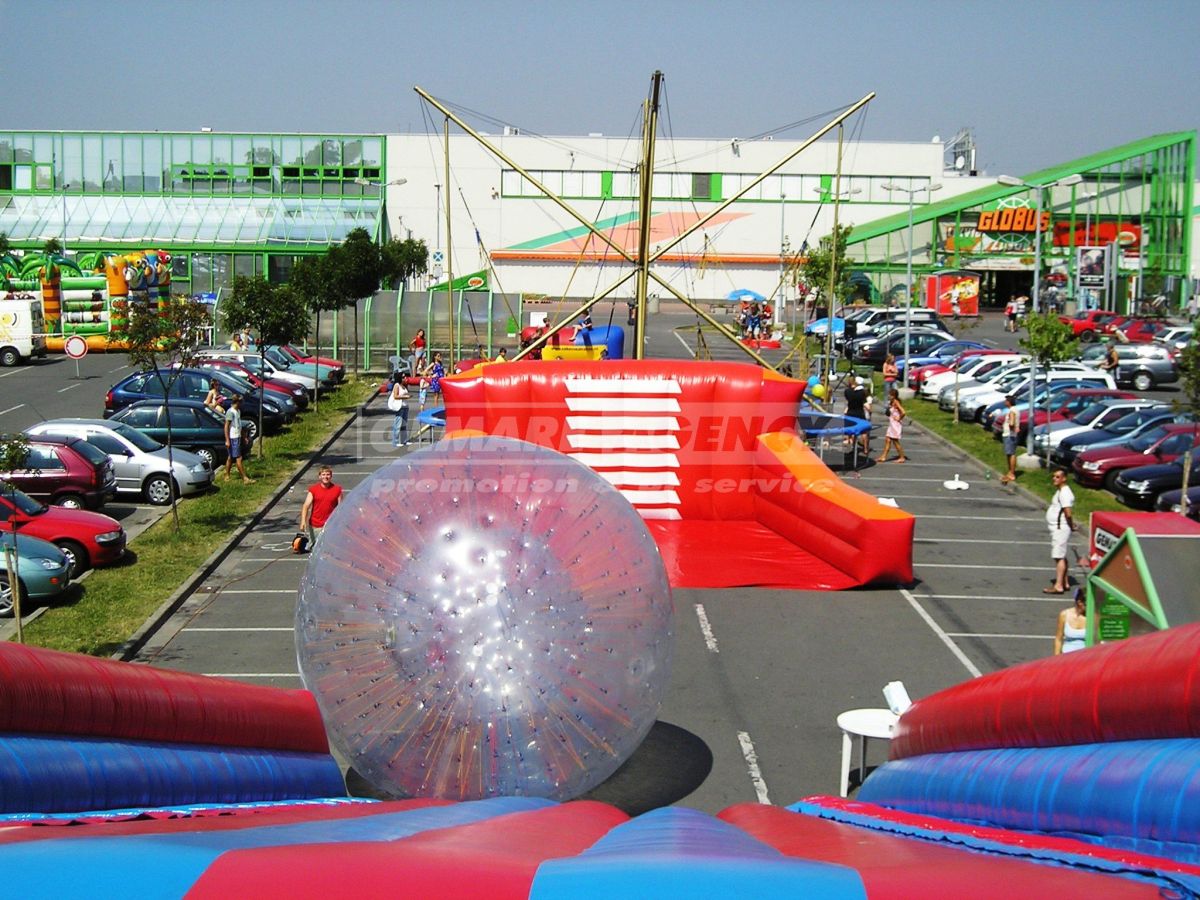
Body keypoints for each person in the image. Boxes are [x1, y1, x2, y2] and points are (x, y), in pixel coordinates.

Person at [1044, 468, 1076, 594]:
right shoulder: (1061, 491)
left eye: (1057, 477)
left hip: (1060, 528)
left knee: (1058, 556)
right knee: (1061, 555)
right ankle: (1065, 582)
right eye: (1054, 476)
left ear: (1064, 478)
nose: (1054, 479)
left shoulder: (1065, 493)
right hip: (1057, 527)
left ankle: (1058, 586)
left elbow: (1068, 513)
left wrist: (1071, 525)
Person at [299, 465, 343, 549]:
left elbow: (341, 508)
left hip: (330, 525)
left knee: (327, 548)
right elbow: (306, 506)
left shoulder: (337, 490)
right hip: (316, 525)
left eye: (328, 474)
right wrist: (303, 521)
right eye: (323, 474)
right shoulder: (313, 490)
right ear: (319, 476)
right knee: (314, 548)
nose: (325, 477)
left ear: (331, 476)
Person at [222, 395, 254, 484]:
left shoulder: (238, 411)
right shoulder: (230, 412)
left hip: (238, 436)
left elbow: (239, 425)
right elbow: (226, 426)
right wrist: (227, 440)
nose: (242, 404)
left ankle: (227, 474)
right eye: (241, 402)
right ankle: (245, 478)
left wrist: (244, 437)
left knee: (230, 457)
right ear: (237, 402)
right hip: (233, 437)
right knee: (238, 458)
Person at [843, 374, 871, 455]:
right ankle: (865, 448)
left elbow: (848, 400)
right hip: (860, 413)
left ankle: (851, 447)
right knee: (863, 431)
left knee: (851, 431)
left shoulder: (847, 392)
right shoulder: (862, 393)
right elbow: (866, 404)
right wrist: (869, 411)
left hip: (850, 412)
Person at [876, 390, 907, 463]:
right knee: (887, 440)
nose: (889, 396)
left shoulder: (896, 402)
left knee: (895, 441)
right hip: (891, 424)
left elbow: (903, 412)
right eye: (889, 395)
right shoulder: (891, 402)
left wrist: (899, 418)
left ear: (894, 396)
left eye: (891, 395)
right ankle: (883, 456)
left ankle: (902, 457)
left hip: (895, 425)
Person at [999, 394, 1019, 484]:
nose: (1004, 402)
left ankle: (1012, 473)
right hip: (1011, 435)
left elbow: (1011, 423)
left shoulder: (1012, 411)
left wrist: (1012, 429)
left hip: (1010, 435)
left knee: (1011, 453)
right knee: (1009, 453)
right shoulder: (1015, 410)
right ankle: (1010, 471)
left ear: (1009, 402)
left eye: (1006, 401)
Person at [388, 373, 411, 447]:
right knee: (398, 424)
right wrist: (405, 397)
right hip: (400, 406)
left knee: (404, 424)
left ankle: (404, 440)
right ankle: (395, 442)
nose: (405, 378)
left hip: (405, 406)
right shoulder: (397, 385)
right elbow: (395, 396)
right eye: (403, 377)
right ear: (400, 378)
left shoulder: (404, 385)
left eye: (405, 377)